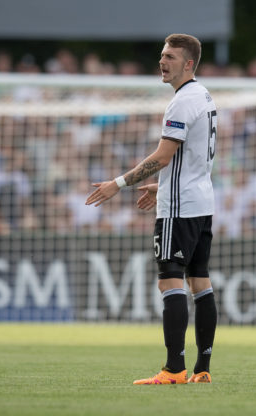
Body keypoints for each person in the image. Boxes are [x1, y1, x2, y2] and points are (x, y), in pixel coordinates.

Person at [85, 34, 217, 385]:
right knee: (200, 282)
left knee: (170, 281)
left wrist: (118, 184)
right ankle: (202, 369)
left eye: (171, 56)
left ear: (188, 63)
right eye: (161, 55)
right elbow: (193, 160)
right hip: (201, 202)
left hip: (179, 209)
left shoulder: (181, 102)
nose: (162, 61)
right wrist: (164, 185)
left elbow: (163, 155)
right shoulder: (203, 96)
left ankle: (174, 370)